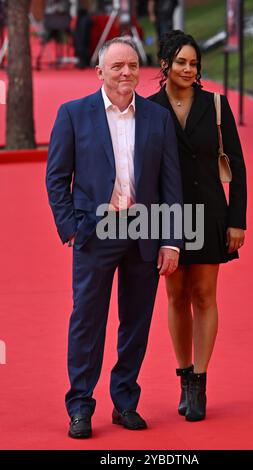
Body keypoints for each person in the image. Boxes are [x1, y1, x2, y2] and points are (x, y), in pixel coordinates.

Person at [46, 36, 183, 438]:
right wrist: (71, 227)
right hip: (95, 231)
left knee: (136, 322)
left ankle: (124, 402)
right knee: (87, 320)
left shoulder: (157, 119)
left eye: (133, 66)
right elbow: (57, 177)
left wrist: (171, 239)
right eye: (118, 66)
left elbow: (170, 183)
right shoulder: (73, 114)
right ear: (100, 71)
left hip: (145, 232)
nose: (126, 73)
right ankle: (80, 407)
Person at [149, 30, 247, 422]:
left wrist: (237, 220)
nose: (189, 69)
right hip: (168, 218)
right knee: (176, 296)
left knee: (204, 295)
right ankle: (183, 375)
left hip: (210, 214)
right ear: (165, 66)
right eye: (181, 63)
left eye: (194, 63)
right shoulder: (150, 109)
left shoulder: (217, 106)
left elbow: (237, 168)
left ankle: (200, 382)